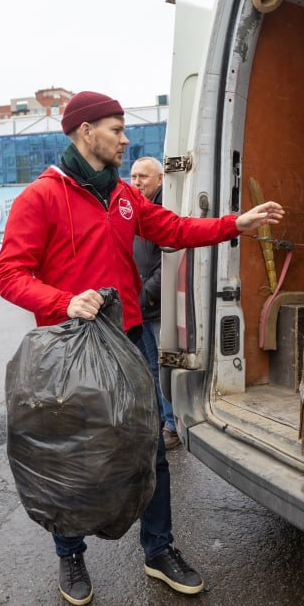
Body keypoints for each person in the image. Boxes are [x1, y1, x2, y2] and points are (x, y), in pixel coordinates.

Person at [0, 91, 284, 606]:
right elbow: (9, 275)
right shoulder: (40, 198)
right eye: (115, 128)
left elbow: (170, 228)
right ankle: (71, 553)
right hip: (68, 354)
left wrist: (231, 225)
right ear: (85, 132)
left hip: (126, 344)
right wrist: (65, 301)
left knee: (149, 453)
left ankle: (159, 550)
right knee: (73, 462)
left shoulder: (125, 196)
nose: (125, 139)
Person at [129, 156, 180, 451]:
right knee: (148, 367)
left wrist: (145, 293)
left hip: (156, 305)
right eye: (133, 177)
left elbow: (167, 261)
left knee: (163, 367)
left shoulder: (160, 210)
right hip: (141, 305)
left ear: (160, 179)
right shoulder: (133, 209)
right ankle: (160, 422)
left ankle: (172, 425)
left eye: (143, 177)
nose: (136, 182)